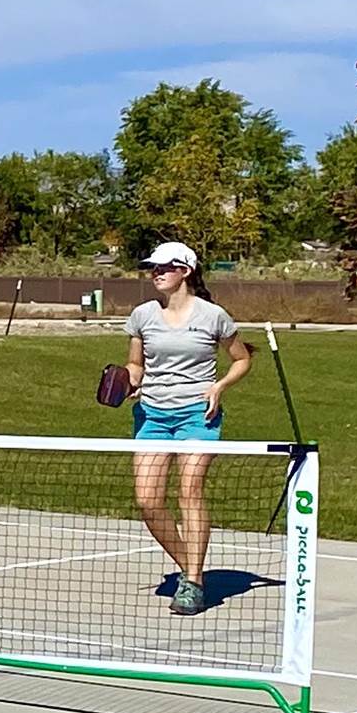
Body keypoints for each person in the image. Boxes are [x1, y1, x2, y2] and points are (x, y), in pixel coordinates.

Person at [123, 241, 251, 617]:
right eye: (153, 267)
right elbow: (136, 365)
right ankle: (191, 568)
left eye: (164, 267)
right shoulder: (143, 315)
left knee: (189, 492)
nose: (156, 272)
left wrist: (219, 386)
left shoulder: (213, 316)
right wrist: (127, 382)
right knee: (148, 501)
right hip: (152, 417)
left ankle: (193, 582)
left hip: (198, 416)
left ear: (186, 270)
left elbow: (241, 358)